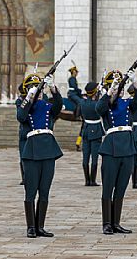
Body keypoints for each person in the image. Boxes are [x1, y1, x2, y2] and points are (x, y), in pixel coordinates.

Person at [96, 69, 137, 234]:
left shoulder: (127, 103)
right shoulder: (107, 103)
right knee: (108, 187)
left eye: (120, 86)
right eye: (116, 86)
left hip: (127, 147)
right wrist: (109, 92)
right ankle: (106, 223)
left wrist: (135, 83)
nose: (120, 89)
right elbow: (99, 109)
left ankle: (116, 222)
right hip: (111, 148)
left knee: (121, 187)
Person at [17, 73, 63, 238]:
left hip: (48, 149)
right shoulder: (23, 103)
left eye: (40, 87)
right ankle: (31, 226)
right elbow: (21, 117)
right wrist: (29, 97)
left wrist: (53, 88)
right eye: (34, 87)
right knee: (31, 190)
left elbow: (59, 105)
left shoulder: (48, 105)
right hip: (32, 150)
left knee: (44, 190)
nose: (38, 90)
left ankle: (40, 226)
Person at [71, 81, 104, 186]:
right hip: (96, 130)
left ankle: (87, 180)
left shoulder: (82, 103)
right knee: (94, 157)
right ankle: (92, 180)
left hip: (86, 130)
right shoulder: (97, 104)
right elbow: (102, 109)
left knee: (85, 156)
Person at [67, 66, 83, 150]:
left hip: (74, 92)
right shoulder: (72, 79)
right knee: (80, 102)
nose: (77, 73)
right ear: (73, 72)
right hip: (72, 93)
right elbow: (74, 87)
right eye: (76, 72)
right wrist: (79, 91)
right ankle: (77, 115)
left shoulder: (73, 78)